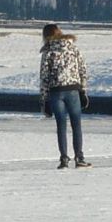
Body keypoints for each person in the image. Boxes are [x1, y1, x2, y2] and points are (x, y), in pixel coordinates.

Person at [38, 23, 91, 169]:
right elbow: (83, 70)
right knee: (76, 124)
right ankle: (79, 158)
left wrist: (44, 99)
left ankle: (64, 159)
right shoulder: (73, 48)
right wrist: (83, 91)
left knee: (61, 125)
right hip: (73, 90)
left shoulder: (48, 52)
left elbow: (44, 77)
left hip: (56, 91)